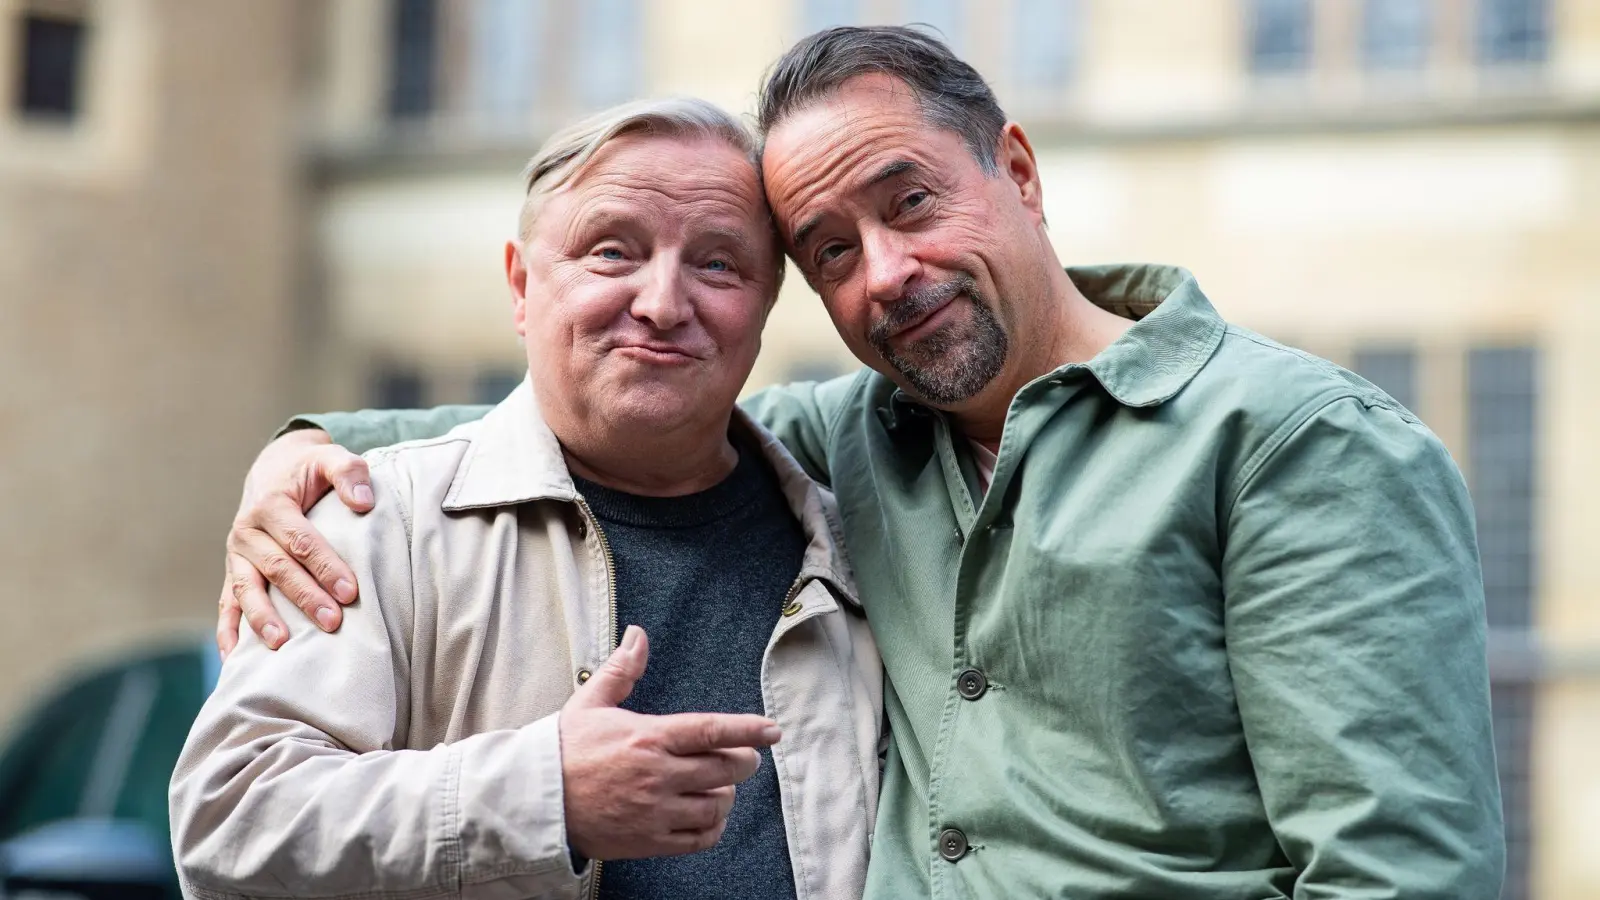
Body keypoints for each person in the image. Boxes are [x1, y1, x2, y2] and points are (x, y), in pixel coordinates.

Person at [218, 27, 1506, 899]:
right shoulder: (856, 439)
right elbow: (616, 402)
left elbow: (1393, 872)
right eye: (828, 251)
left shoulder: (1293, 444)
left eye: (909, 203)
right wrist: (306, 451)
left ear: (1016, 171)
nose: (882, 274)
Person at [171, 98, 882, 900]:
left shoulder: (860, 546)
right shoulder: (380, 523)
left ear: (764, 308)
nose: (662, 303)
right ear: (520, 284)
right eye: (613, 252)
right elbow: (229, 822)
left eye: (718, 264)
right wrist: (545, 796)